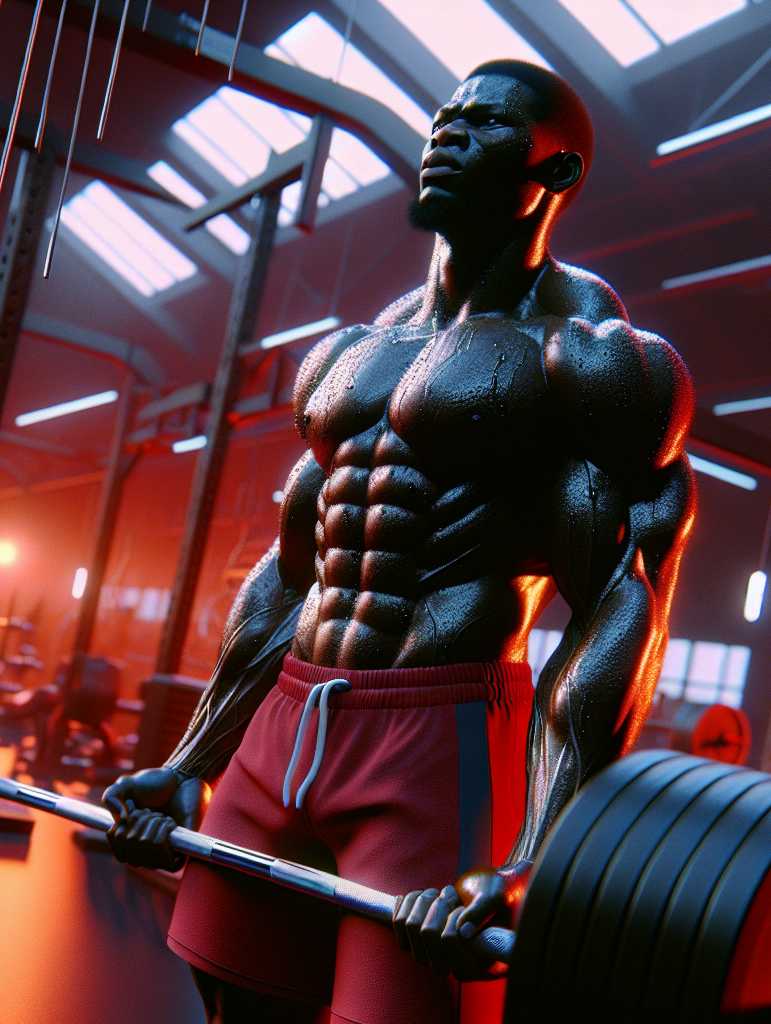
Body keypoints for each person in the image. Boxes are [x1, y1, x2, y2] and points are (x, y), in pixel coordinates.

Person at [102, 59, 696, 1024]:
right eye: (444, 116)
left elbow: (623, 600)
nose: (449, 133)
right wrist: (192, 760)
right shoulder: (349, 355)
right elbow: (289, 576)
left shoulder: (592, 355)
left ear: (559, 174)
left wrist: (535, 861)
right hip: (286, 720)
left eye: (489, 123)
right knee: (234, 1001)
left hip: (436, 734)